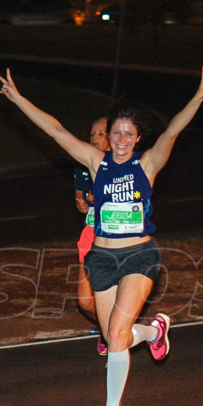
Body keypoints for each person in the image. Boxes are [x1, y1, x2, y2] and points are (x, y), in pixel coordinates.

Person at [0, 66, 203, 406]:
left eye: (128, 133)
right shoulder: (95, 163)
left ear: (138, 137)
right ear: (108, 134)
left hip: (138, 257)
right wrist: (19, 99)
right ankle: (153, 332)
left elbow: (174, 129)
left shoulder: (147, 164)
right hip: (100, 259)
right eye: (116, 131)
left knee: (115, 333)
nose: (120, 138)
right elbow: (55, 130)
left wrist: (197, 97)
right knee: (118, 336)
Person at [74, 117, 110, 355]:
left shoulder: (121, 164)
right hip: (90, 235)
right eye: (92, 133)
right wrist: (82, 203)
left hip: (115, 237)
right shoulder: (82, 164)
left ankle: (114, 334)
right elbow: (80, 196)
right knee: (85, 301)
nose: (95, 138)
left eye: (101, 133)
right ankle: (108, 328)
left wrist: (105, 198)